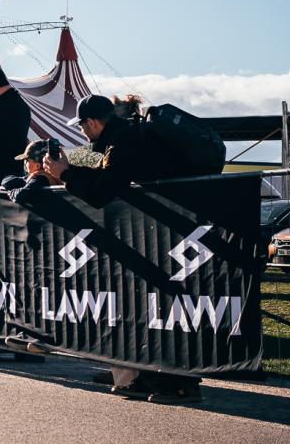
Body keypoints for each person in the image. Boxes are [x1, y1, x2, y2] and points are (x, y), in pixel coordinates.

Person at [42, 94, 203, 404]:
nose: (83, 134)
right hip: (163, 230)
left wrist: (66, 175)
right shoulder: (124, 139)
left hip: (170, 232)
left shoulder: (123, 142)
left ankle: (180, 385)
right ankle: (148, 376)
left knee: (165, 310)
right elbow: (107, 180)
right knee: (149, 308)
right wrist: (68, 172)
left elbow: (101, 193)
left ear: (92, 123)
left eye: (82, 127)